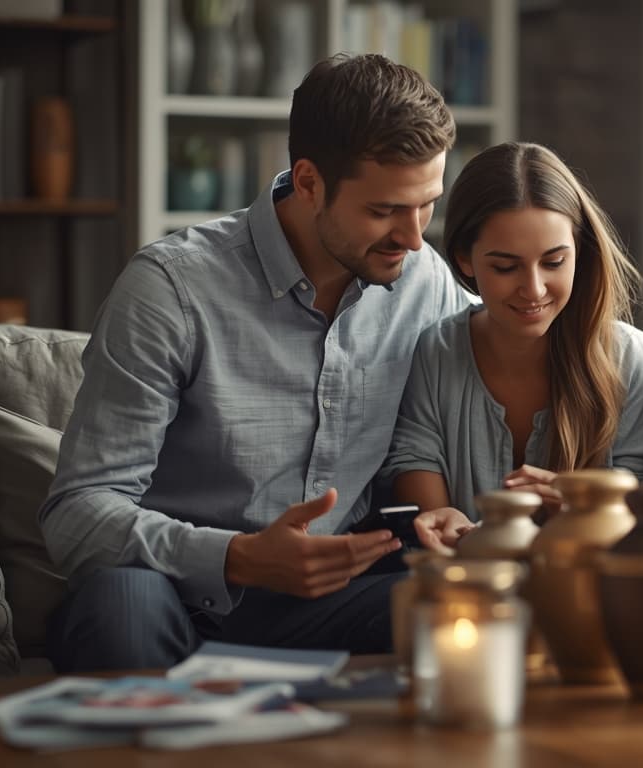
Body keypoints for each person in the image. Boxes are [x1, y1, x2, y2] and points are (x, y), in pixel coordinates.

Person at [39, 54, 475, 672]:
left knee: (470, 602)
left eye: (427, 203)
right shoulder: (171, 289)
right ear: (309, 182)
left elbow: (526, 338)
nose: (413, 236)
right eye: (384, 211)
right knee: (120, 605)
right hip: (178, 597)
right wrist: (236, 557)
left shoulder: (423, 279)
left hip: (337, 598)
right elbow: (77, 514)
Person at [390, 142, 643, 548]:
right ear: (465, 259)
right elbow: (417, 471)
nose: (533, 289)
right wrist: (446, 526)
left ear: (580, 254)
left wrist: (583, 512)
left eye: (554, 262)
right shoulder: (436, 353)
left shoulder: (631, 362)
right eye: (505, 266)